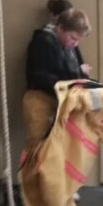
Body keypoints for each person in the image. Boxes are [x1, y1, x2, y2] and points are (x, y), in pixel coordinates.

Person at [23, 8, 93, 154]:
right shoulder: (43, 42)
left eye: (78, 41)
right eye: (73, 38)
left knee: (60, 149)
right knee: (39, 148)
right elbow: (41, 77)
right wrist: (77, 74)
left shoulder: (69, 47)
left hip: (61, 99)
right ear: (60, 28)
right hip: (41, 98)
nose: (75, 43)